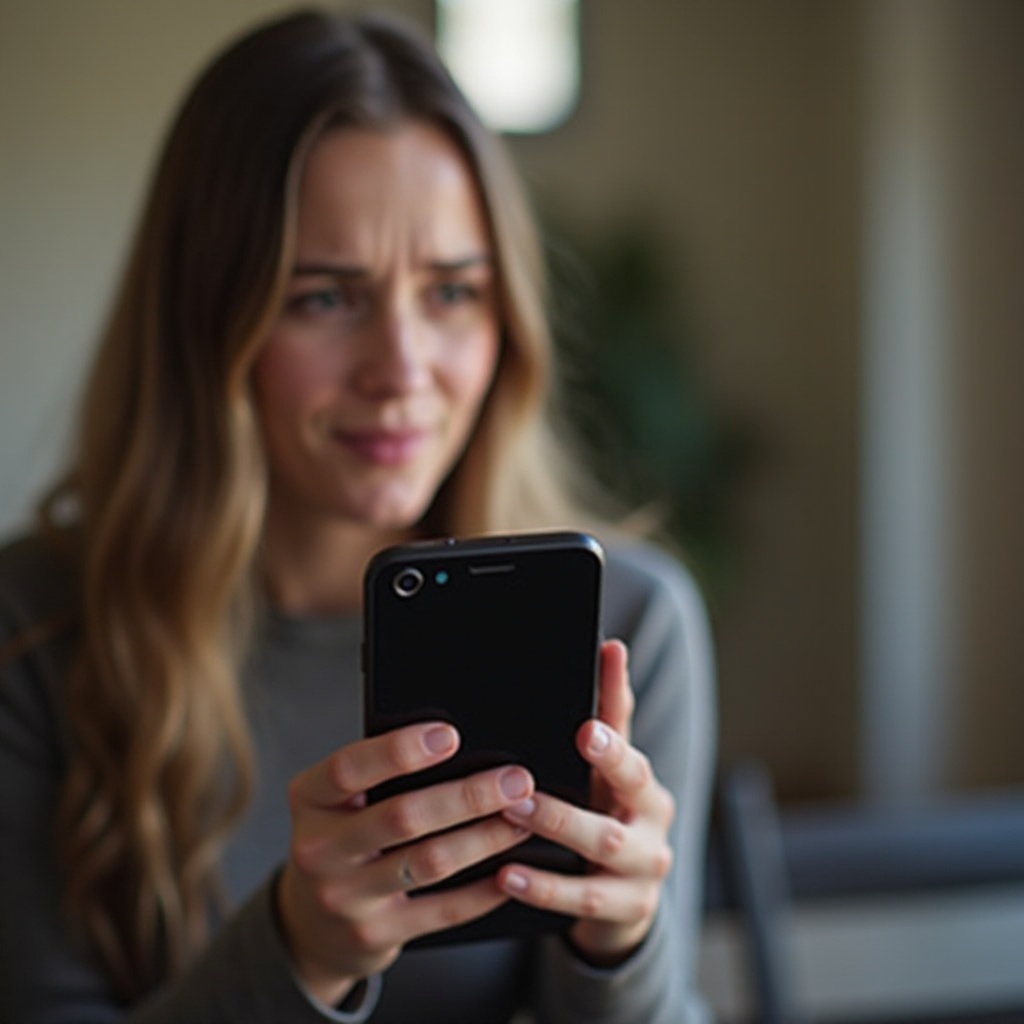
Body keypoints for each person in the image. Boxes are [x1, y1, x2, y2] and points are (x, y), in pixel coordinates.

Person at [0, 7, 715, 1023]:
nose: (402, 372)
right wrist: (299, 950)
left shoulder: (628, 620)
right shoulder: (33, 628)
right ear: (207, 320)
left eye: (453, 293)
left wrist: (619, 949)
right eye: (325, 298)